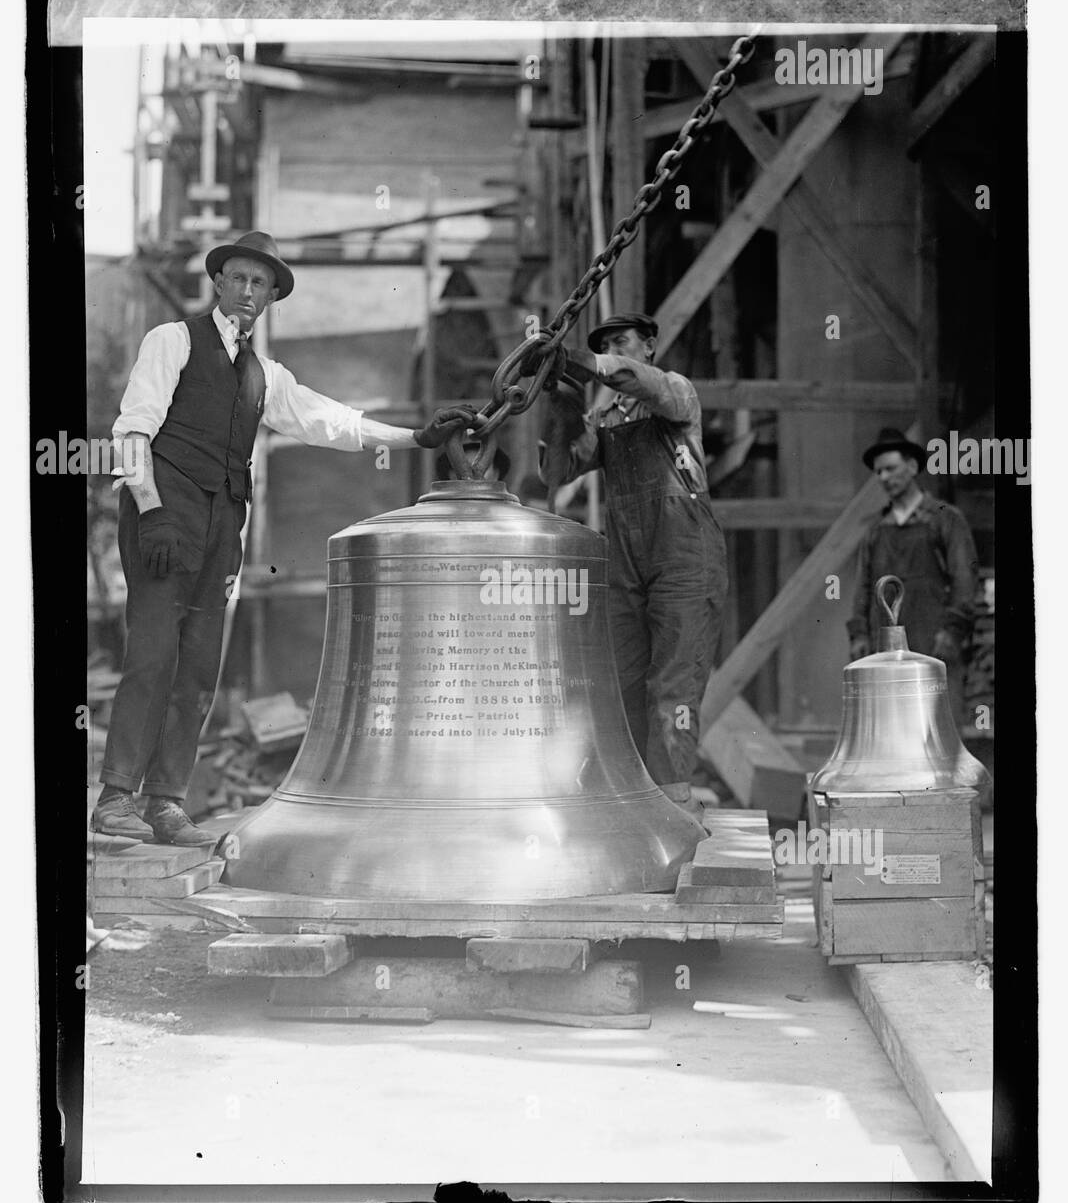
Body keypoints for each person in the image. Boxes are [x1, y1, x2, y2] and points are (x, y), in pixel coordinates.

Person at [93, 231, 473, 846]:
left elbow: (331, 421)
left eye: (260, 284)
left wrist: (415, 439)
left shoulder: (265, 375)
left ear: (271, 297)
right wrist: (152, 508)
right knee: (154, 653)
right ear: (218, 283)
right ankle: (115, 798)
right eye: (239, 279)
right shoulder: (172, 341)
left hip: (223, 528)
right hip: (166, 517)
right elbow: (132, 431)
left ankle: (165, 802)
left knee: (199, 666)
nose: (248, 292)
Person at [532, 312, 728, 820]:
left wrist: (583, 359)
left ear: (649, 349)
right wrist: (563, 403)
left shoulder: (676, 394)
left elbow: (645, 386)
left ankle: (672, 807)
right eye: (605, 346)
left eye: (621, 343)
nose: (614, 352)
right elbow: (557, 470)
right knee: (620, 685)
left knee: (672, 688)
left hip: (684, 558)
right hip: (628, 562)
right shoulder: (609, 419)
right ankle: (631, 804)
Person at [847, 426, 979, 722]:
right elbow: (863, 587)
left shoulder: (944, 519)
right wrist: (858, 636)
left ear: (913, 466)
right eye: (878, 472)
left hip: (935, 647)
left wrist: (951, 633)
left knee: (939, 737)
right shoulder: (876, 531)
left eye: (890, 469)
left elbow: (964, 580)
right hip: (887, 657)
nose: (883, 478)